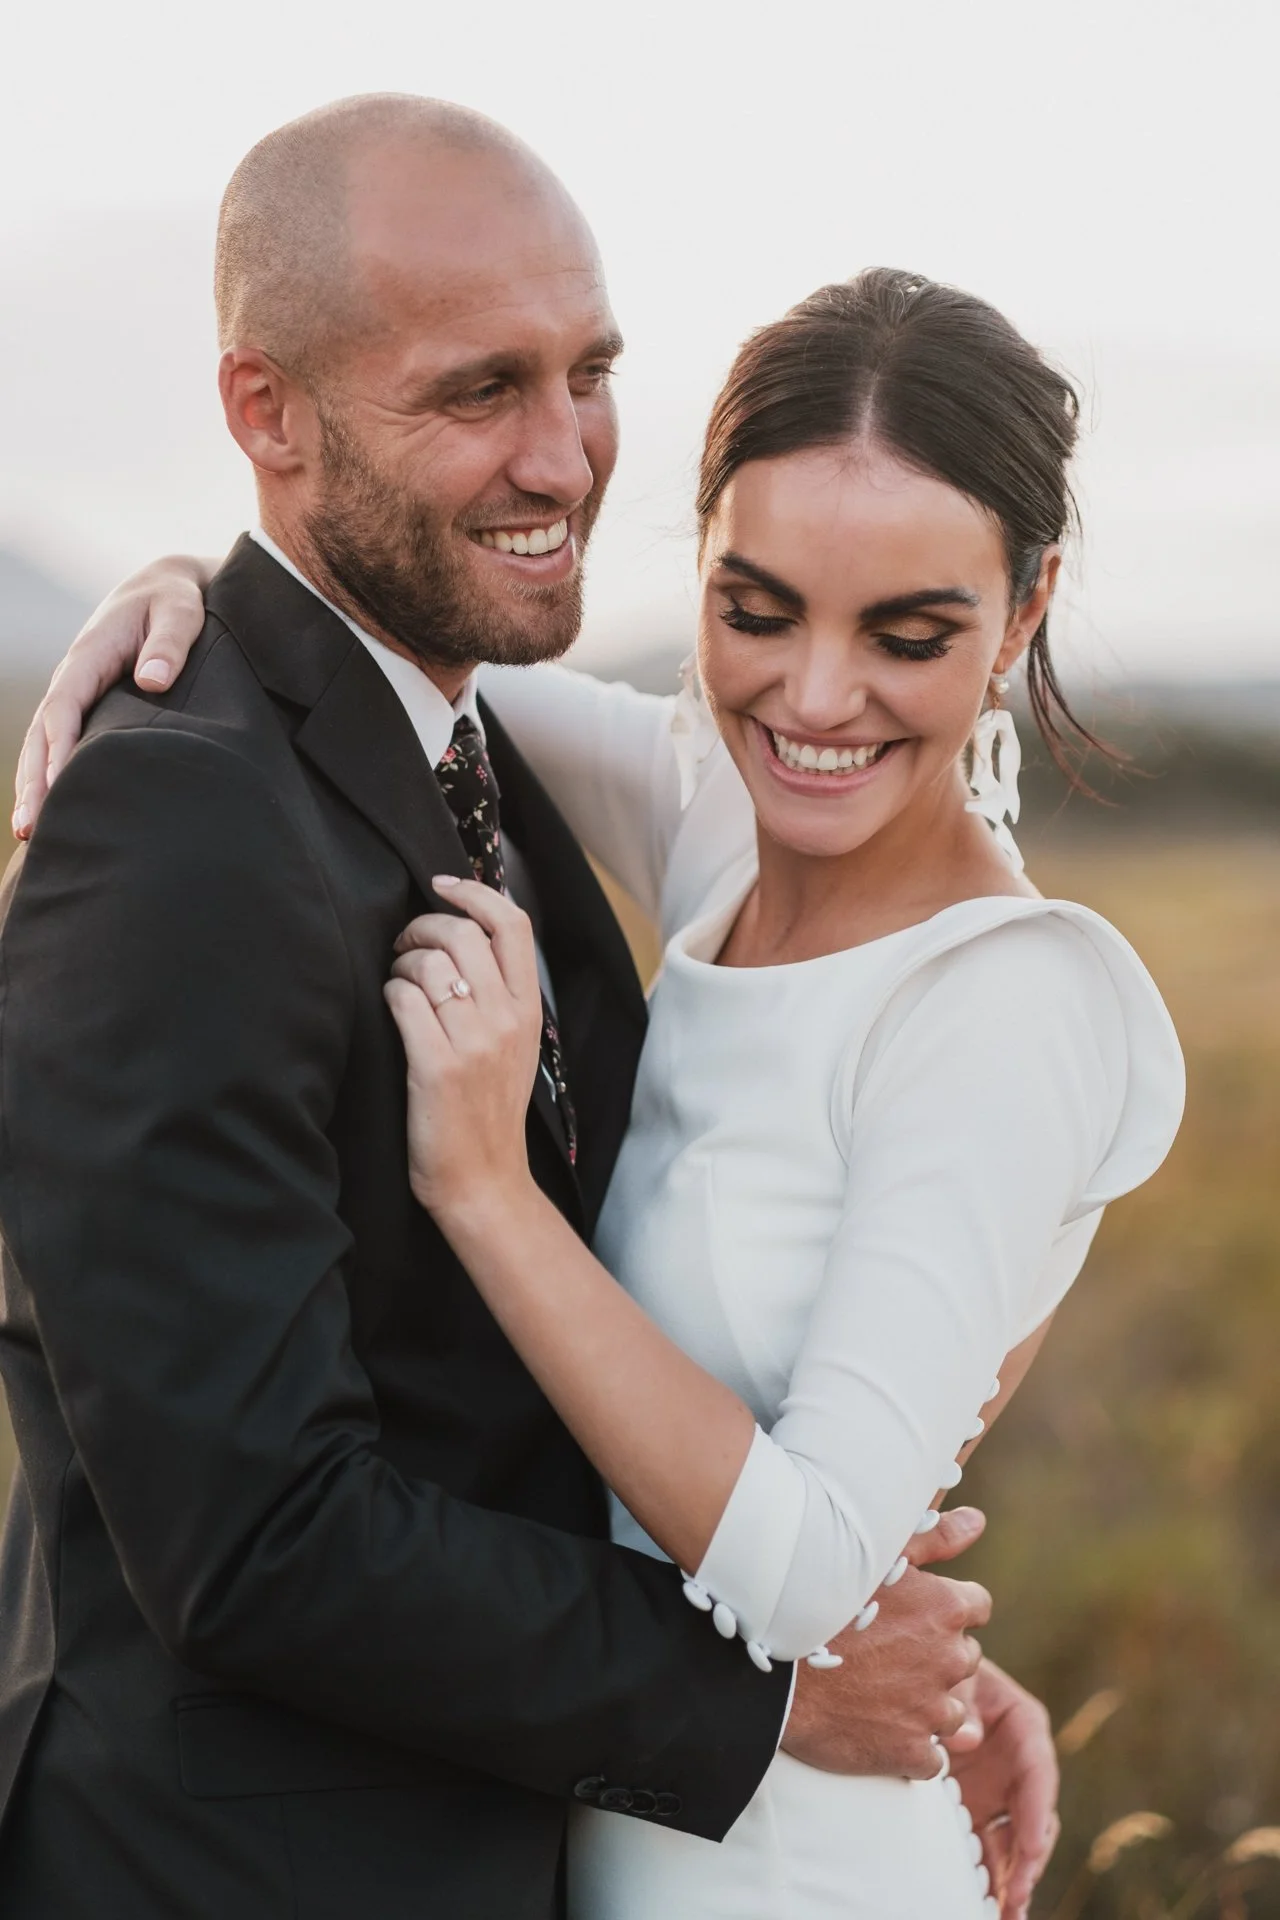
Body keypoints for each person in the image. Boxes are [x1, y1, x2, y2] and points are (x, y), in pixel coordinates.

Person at [11, 251, 1185, 1913]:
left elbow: (807, 1572)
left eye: (910, 634)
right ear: (697, 557)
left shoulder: (1006, 1003)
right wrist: (181, 591)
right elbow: (384, 660)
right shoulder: (727, 808)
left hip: (784, 1865)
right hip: (589, 1815)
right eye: (754, 609)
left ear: (1028, 605)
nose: (818, 699)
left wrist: (488, 1194)